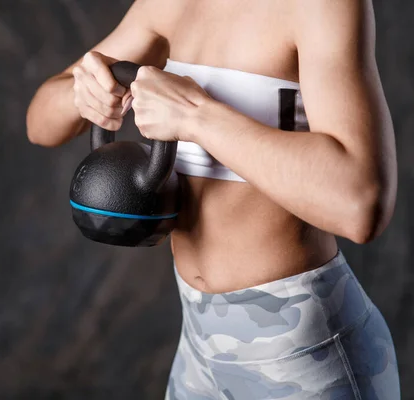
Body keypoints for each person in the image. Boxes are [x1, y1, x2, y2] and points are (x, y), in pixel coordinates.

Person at [26, 0, 400, 398]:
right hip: (200, 349)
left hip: (303, 355)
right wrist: (82, 95)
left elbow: (361, 204)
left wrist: (196, 116)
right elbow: (40, 123)